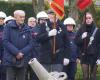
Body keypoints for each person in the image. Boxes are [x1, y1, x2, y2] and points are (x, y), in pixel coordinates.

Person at [2, 10, 33, 80]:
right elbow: (5, 41)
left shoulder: (27, 28)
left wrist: (22, 52)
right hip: (10, 59)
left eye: (24, 17)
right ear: (15, 17)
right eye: (21, 17)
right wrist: (17, 52)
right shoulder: (8, 27)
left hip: (23, 59)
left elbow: (31, 43)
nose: (23, 19)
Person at [75, 12, 99, 80]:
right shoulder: (81, 29)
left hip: (94, 56)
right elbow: (76, 42)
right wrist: (81, 37)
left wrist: (99, 57)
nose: (88, 19)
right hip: (84, 56)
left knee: (93, 77)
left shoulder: (97, 30)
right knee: (85, 77)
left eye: (89, 18)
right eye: (86, 18)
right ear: (84, 19)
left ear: (92, 19)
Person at [0, 11, 7, 80]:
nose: (1, 20)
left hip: (4, 54)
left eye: (2, 19)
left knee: (3, 73)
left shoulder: (6, 29)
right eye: (0, 19)